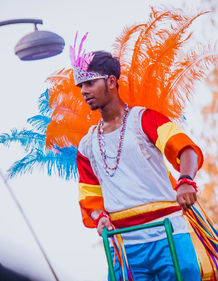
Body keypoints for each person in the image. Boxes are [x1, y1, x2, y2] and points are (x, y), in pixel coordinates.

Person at [74, 44, 204, 280]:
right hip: (123, 246)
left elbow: (187, 150)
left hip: (168, 235)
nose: (84, 90)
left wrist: (185, 181)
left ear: (111, 82)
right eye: (80, 85)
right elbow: (89, 197)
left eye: (90, 83)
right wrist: (99, 218)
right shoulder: (86, 146)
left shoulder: (145, 119)